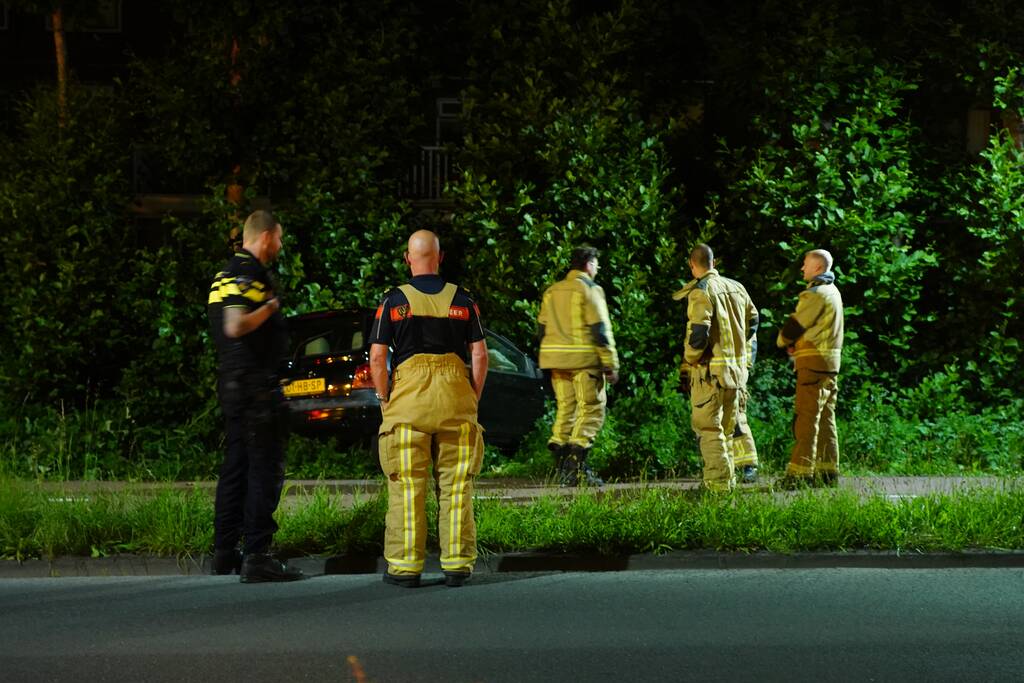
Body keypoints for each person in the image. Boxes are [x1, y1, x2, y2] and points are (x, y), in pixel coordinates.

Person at [369, 230, 488, 588]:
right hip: (455, 399)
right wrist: (471, 397)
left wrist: (384, 398)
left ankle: (406, 568)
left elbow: (377, 357)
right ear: (440, 257)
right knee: (456, 486)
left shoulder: (393, 301)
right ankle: (456, 565)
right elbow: (480, 355)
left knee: (407, 486)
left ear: (408, 258)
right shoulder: (463, 300)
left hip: (408, 403)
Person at [206, 209, 303, 582]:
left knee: (236, 466)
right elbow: (235, 325)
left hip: (232, 382)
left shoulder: (222, 275)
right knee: (265, 468)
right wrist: (269, 308)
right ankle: (258, 554)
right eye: (277, 238)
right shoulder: (248, 272)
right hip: (254, 386)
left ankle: (225, 551)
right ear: (265, 236)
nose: (279, 245)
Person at [672, 244, 759, 492]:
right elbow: (753, 321)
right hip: (737, 375)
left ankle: (717, 486)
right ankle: (728, 482)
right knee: (729, 431)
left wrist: (690, 359)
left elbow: (699, 333)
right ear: (714, 262)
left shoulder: (701, 291)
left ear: (692, 265)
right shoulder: (737, 288)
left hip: (711, 374)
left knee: (709, 429)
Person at [537, 245, 620, 487]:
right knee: (591, 410)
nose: (598, 268)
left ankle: (560, 468)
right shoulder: (590, 290)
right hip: (584, 361)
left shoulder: (551, 292)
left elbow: (541, 329)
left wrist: (551, 356)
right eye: (596, 263)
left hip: (556, 362)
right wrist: (610, 363)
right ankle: (576, 468)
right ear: (588, 265)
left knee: (566, 409)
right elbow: (600, 330)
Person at [776, 249, 844, 488]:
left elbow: (794, 326)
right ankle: (827, 473)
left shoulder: (815, 294)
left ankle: (799, 475)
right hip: (829, 366)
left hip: (812, 367)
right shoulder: (833, 292)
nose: (802, 269)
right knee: (826, 420)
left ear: (817, 268)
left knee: (806, 419)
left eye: (805, 264)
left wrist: (784, 341)